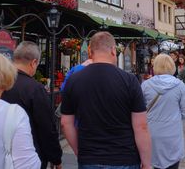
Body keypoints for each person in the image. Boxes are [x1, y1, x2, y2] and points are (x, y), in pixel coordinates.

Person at [60, 31, 152, 169]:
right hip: (124, 157)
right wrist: (146, 162)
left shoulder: (74, 80)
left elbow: (66, 123)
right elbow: (141, 127)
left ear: (90, 51)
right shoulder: (129, 80)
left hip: (89, 158)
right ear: (113, 51)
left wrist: (80, 152)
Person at [1, 42, 62, 169]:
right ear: (33, 63)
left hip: (0, 152)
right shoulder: (34, 88)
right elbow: (46, 127)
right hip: (29, 154)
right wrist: (55, 157)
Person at [142, 54, 185, 169]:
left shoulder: (145, 86)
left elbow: (139, 111)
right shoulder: (179, 86)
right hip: (172, 133)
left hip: (151, 132)